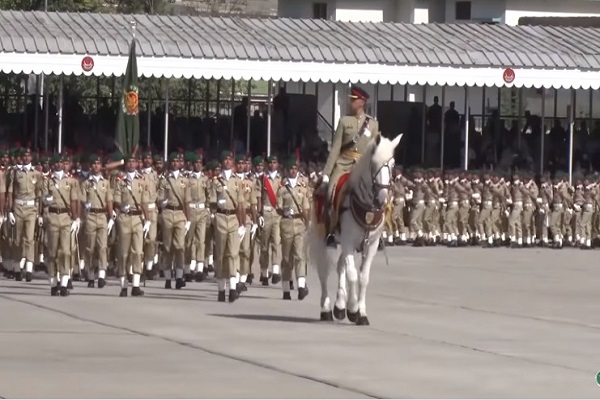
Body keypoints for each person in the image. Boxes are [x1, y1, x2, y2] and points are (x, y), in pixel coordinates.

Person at [321, 86, 380, 247]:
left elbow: (375, 150)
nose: (350, 102)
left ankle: (378, 231)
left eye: (353, 100)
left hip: (363, 167)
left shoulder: (373, 125)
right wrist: (327, 173)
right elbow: (335, 149)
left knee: (381, 195)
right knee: (331, 193)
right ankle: (331, 232)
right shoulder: (344, 121)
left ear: (361, 102)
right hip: (343, 165)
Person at [276, 157, 309, 300]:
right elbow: (277, 208)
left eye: (295, 168)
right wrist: (284, 211)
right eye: (291, 169)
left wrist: (308, 224)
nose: (293, 171)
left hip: (299, 223)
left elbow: (306, 208)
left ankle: (301, 286)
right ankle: (285, 288)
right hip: (287, 224)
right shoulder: (282, 189)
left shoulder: (302, 188)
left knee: (300, 256)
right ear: (286, 171)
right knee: (286, 257)